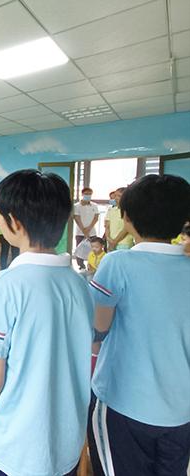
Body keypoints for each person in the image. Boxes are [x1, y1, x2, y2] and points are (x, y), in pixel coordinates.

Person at [0, 169, 93, 476]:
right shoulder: (79, 284)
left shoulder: (6, 286)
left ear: (14, 222)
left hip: (13, 449)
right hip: (66, 445)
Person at [88, 174, 190, 476]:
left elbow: (99, 327)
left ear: (127, 218)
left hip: (122, 404)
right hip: (181, 410)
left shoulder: (117, 264)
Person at [73, 187, 99, 269]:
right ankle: (81, 265)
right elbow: (76, 218)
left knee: (93, 249)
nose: (88, 195)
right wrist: (84, 230)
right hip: (80, 232)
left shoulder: (94, 205)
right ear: (82, 194)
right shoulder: (76, 206)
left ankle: (91, 265)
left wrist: (89, 228)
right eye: (86, 194)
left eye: (89, 194)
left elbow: (96, 217)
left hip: (92, 232)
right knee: (79, 250)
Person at [105, 187, 134, 251]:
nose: (116, 198)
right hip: (110, 243)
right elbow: (107, 226)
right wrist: (108, 239)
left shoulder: (129, 210)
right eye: (115, 195)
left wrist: (115, 242)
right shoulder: (111, 210)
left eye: (119, 196)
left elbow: (126, 229)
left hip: (124, 244)